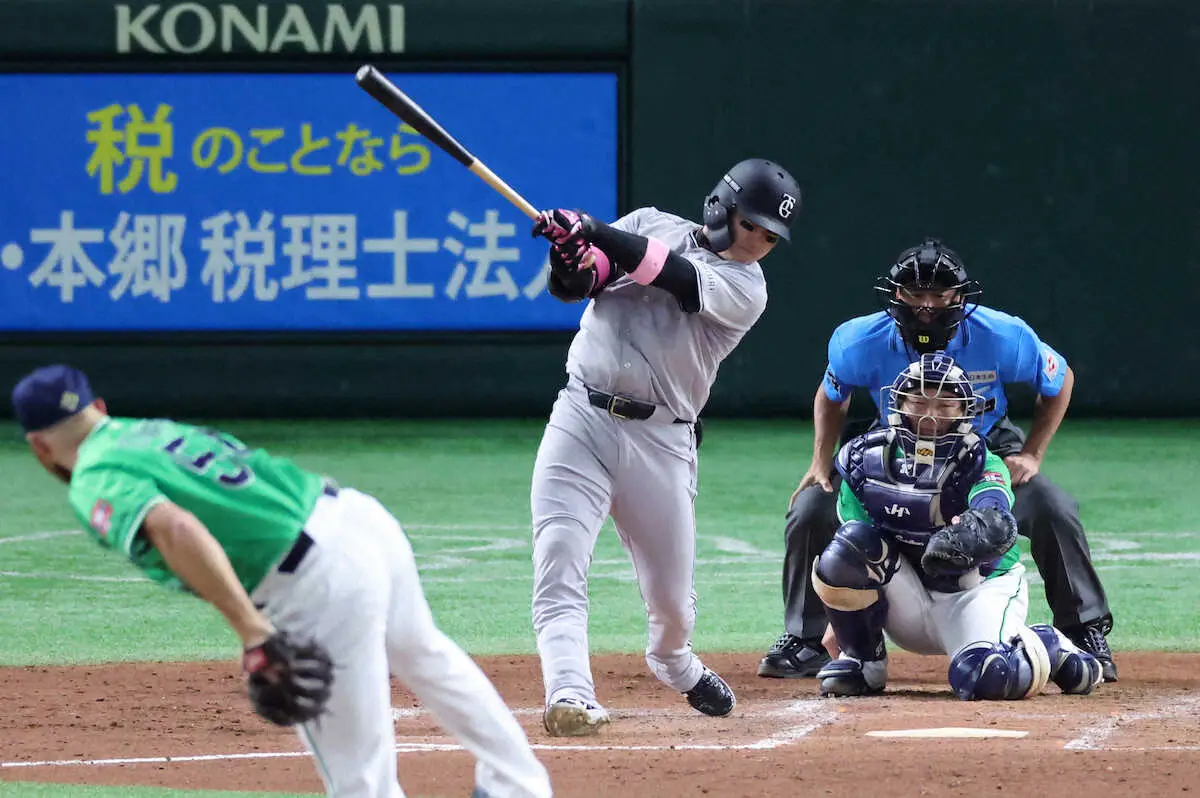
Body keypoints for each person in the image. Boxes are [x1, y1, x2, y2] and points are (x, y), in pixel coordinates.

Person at [11, 364, 553, 798]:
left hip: (319, 581)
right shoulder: (149, 430)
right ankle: (519, 786)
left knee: (357, 778)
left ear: (39, 446)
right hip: (360, 519)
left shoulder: (94, 475)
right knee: (426, 655)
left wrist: (253, 631)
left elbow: (174, 527)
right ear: (100, 407)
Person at [757, 238, 1118, 683]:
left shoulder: (1005, 336)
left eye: (939, 293)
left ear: (960, 296)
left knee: (1052, 507)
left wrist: (1032, 454)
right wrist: (819, 460)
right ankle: (805, 639)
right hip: (896, 445)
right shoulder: (858, 341)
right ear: (895, 293)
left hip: (985, 444)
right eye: (915, 293)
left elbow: (1059, 380)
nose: (927, 305)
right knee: (811, 507)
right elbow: (832, 395)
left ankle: (1082, 632)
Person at [527, 158, 803, 736]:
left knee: (672, 603)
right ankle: (569, 692)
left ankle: (674, 661)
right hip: (580, 417)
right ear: (722, 207)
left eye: (771, 236)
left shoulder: (746, 287)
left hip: (661, 440)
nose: (759, 242)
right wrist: (568, 254)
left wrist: (592, 228)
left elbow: (671, 274)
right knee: (558, 556)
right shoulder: (648, 222)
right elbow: (578, 285)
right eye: (752, 225)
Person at [812, 353, 1103, 700]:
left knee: (989, 679)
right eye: (919, 401)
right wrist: (841, 620)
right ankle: (863, 661)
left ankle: (1045, 644)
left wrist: (967, 535)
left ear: (965, 412)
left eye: (946, 404)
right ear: (898, 404)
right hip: (904, 597)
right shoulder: (865, 462)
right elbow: (853, 548)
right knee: (846, 549)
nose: (930, 415)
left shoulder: (980, 462)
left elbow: (996, 521)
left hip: (973, 592)